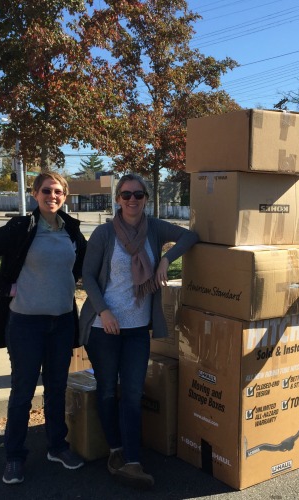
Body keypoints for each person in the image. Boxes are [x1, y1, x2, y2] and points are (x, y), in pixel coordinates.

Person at [79, 173, 199, 489]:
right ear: (117, 199)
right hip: (103, 327)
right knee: (107, 390)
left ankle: (131, 459)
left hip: (136, 329)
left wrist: (165, 260)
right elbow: (88, 276)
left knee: (132, 393)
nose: (133, 200)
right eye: (126, 195)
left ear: (145, 198)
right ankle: (116, 450)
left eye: (139, 195)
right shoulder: (104, 234)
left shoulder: (154, 228)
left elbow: (190, 236)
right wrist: (103, 312)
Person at [0, 172, 87, 485]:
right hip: (25, 323)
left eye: (59, 191)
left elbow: (86, 265)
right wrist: (4, 286)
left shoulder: (71, 229)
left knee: (56, 387)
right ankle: (14, 456)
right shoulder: (22, 227)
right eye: (46, 190)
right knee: (22, 392)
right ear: (35, 194)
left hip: (62, 321)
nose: (53, 196)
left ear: (66, 195)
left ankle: (57, 447)